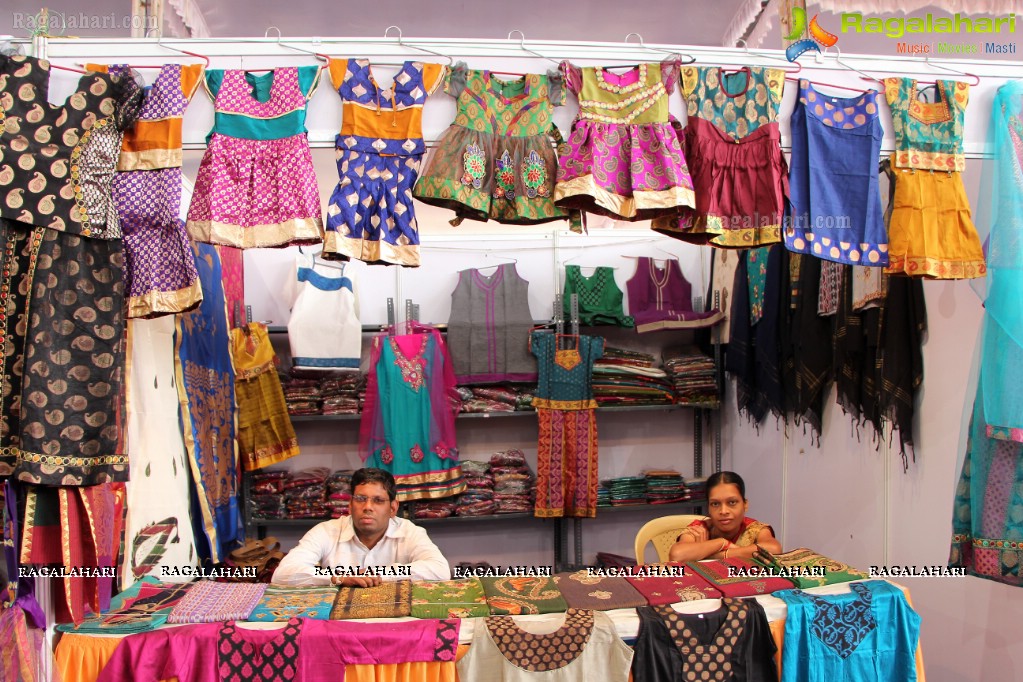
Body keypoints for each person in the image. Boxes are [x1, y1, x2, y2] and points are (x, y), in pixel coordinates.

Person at [272, 467, 451, 587]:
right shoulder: (326, 531)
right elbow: (283, 574)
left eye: (378, 501)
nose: (367, 507)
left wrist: (380, 574)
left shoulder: (410, 532)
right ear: (349, 505)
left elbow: (439, 570)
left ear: (393, 508)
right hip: (338, 625)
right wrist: (339, 577)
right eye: (360, 499)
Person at [667, 471, 782, 562]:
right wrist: (721, 543)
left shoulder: (755, 529)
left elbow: (774, 549)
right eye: (715, 504)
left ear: (745, 504)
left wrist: (716, 555)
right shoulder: (700, 529)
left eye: (732, 502)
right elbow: (677, 554)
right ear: (708, 508)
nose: (723, 511)